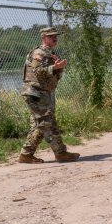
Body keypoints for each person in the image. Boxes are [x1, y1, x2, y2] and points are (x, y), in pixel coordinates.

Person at [18, 27, 79, 163]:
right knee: (47, 122)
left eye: (56, 36)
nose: (55, 38)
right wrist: (55, 67)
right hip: (35, 93)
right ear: (44, 38)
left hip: (43, 92)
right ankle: (61, 153)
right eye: (51, 36)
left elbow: (53, 75)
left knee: (39, 126)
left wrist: (59, 69)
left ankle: (26, 155)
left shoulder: (50, 54)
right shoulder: (38, 53)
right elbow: (38, 71)